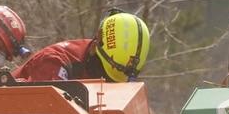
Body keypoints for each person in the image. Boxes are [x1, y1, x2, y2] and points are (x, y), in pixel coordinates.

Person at [15, 11, 151, 83]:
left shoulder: (122, 76)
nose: (106, 82)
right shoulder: (54, 62)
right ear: (95, 47)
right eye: (104, 74)